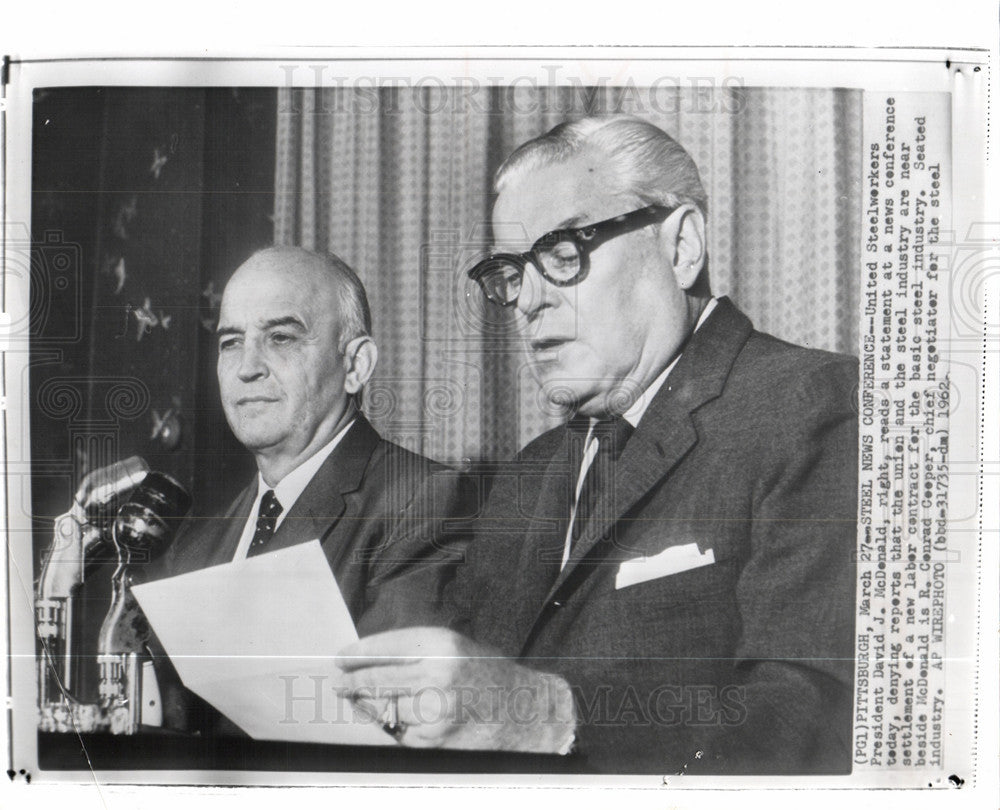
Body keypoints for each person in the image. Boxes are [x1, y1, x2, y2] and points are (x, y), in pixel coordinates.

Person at [335, 115, 858, 774]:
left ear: (681, 246)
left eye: (563, 254)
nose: (528, 299)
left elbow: (816, 720)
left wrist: (549, 716)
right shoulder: (529, 475)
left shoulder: (815, 407)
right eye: (511, 271)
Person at [150, 246, 470, 733]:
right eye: (231, 342)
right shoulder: (195, 547)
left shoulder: (424, 503)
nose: (246, 368)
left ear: (356, 365)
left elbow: (392, 729)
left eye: (280, 337)